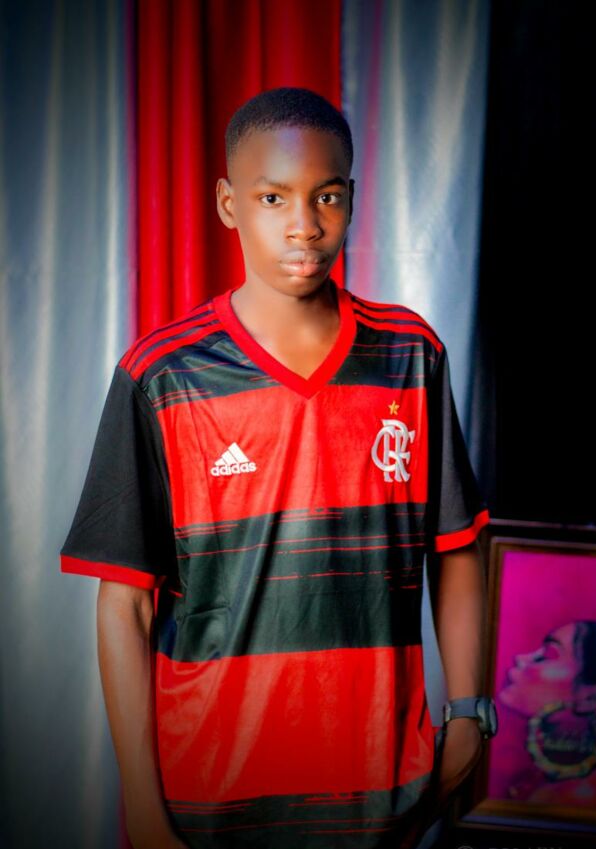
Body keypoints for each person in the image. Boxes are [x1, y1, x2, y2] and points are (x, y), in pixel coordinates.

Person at [60, 87, 493, 849]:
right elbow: (123, 604)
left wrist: (467, 710)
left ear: (352, 198)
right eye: (273, 197)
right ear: (229, 204)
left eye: (327, 196)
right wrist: (142, 802)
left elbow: (455, 546)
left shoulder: (410, 353)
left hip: (383, 792)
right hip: (209, 797)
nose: (304, 225)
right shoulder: (162, 373)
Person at [498, 587, 596, 807]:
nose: (520, 658)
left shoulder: (585, 795)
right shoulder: (546, 781)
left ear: (591, 698)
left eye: (548, 654)